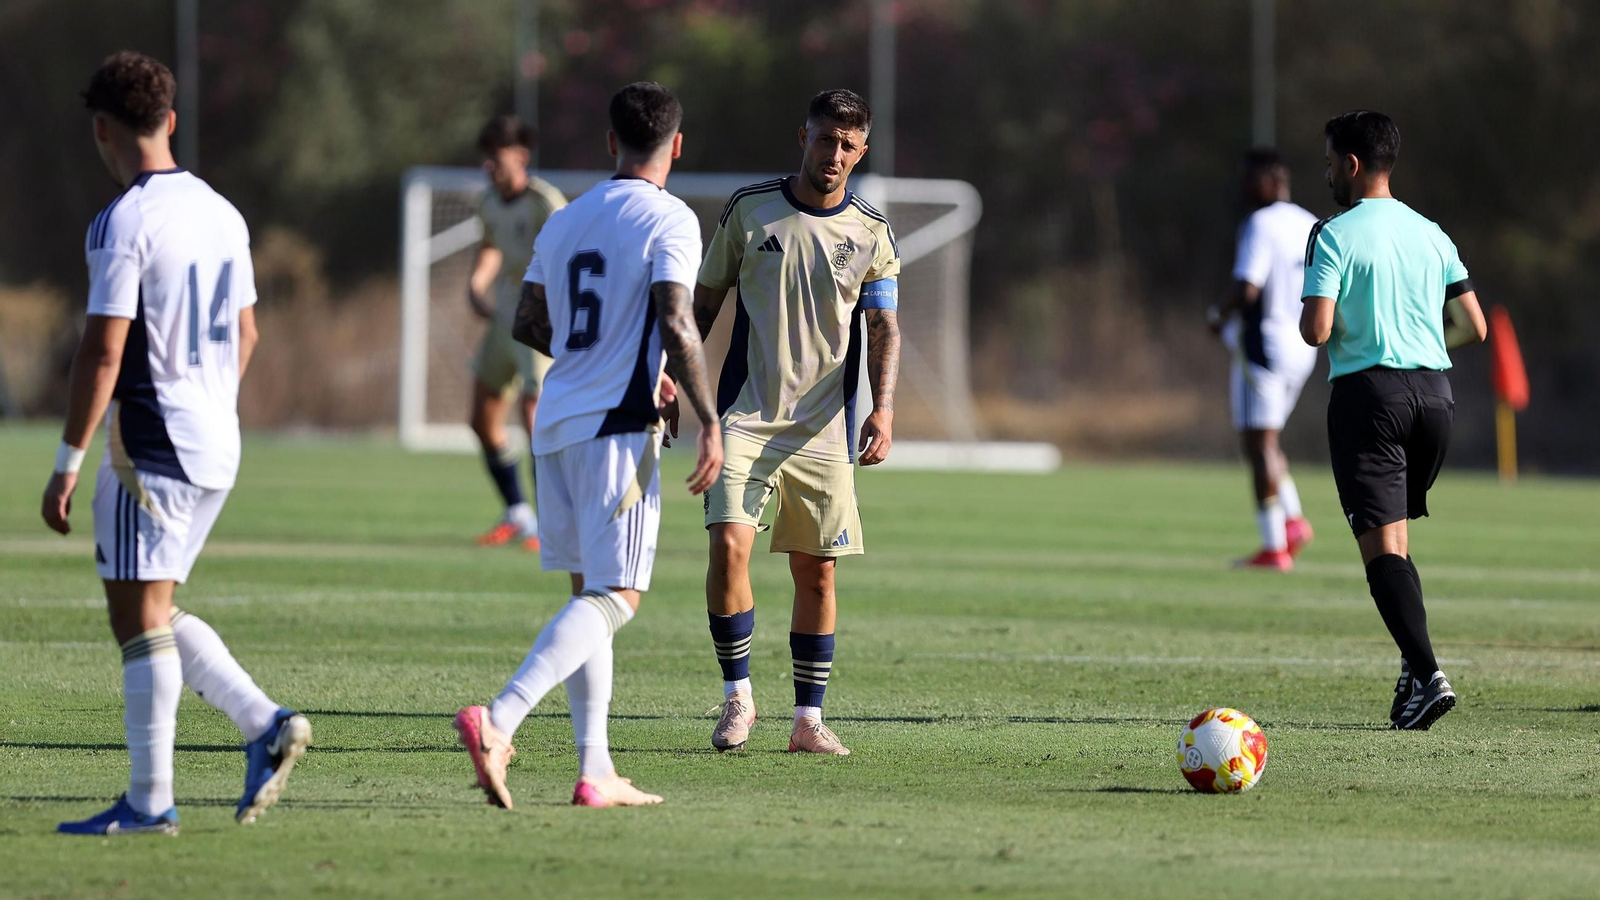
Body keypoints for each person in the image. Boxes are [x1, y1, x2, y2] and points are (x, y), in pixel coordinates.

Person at [42, 52, 310, 835]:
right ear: (171, 119)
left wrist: (65, 460)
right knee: (155, 607)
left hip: (149, 445)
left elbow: (102, 351)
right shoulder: (223, 212)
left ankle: (151, 798)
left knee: (136, 618)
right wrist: (205, 405)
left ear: (102, 129)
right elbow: (249, 330)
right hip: (213, 439)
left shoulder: (122, 219)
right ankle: (264, 724)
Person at [453, 82, 722, 808]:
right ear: (677, 145)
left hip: (558, 425)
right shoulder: (672, 218)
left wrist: (604, 351)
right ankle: (498, 719)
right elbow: (676, 319)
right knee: (620, 597)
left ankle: (595, 769)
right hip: (616, 426)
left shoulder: (563, 220)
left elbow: (531, 325)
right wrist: (706, 415)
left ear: (611, 143)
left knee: (589, 598)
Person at [693, 89, 902, 756]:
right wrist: (676, 380)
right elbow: (703, 304)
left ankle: (808, 720)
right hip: (744, 420)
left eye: (847, 145)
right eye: (824, 140)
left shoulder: (871, 232)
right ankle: (738, 699)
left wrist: (884, 409)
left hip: (824, 431)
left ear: (861, 151)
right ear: (803, 137)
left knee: (818, 575)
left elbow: (883, 326)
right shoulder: (750, 211)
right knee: (728, 546)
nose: (833, 154)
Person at [1300, 110, 1487, 730]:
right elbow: (1474, 326)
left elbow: (1316, 330)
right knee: (1398, 545)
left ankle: (1429, 674)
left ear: (1351, 164)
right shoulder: (1431, 231)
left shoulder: (1332, 234)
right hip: (1435, 397)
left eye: (1329, 161)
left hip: (1370, 398)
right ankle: (1412, 675)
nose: (1326, 172)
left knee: (1380, 552)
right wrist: (1417, 339)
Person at [1208, 149, 1320, 571]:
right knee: (1269, 441)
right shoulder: (1310, 222)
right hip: (1303, 349)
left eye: (1249, 178)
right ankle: (1292, 521)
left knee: (1257, 445)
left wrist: (1217, 315)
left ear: (1273, 178)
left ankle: (1274, 545)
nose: (1243, 187)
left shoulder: (1260, 223)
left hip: (1264, 347)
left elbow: (1247, 287)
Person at [466, 115, 568, 550]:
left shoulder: (546, 202)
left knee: (534, 416)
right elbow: (490, 246)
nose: (490, 165)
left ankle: (553, 526)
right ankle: (518, 513)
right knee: (481, 417)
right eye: (486, 157)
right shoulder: (487, 201)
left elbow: (571, 260)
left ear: (521, 157)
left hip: (538, 322)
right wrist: (475, 285)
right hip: (502, 319)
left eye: (497, 157)